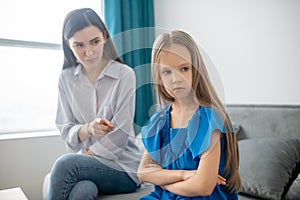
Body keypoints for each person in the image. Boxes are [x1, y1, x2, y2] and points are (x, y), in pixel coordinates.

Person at [45, 8, 141, 200]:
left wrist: (80, 159)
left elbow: (120, 137)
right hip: (87, 168)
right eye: (79, 45)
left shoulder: (124, 75)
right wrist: (88, 129)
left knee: (65, 165)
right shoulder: (66, 79)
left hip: (124, 168)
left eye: (95, 42)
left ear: (104, 36)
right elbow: (66, 132)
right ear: (68, 45)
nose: (88, 52)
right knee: (83, 191)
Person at [137, 30, 242, 199]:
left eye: (184, 68)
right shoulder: (159, 121)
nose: (176, 79)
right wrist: (184, 175)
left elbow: (203, 186)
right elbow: (143, 172)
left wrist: (163, 180)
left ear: (196, 71)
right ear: (159, 77)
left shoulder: (208, 119)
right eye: (167, 72)